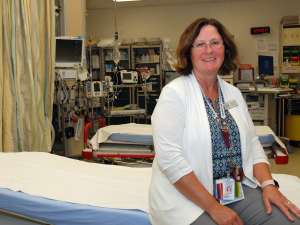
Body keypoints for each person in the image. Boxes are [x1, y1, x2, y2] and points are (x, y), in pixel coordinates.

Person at [149, 17, 300, 225]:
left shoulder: (233, 94)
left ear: (225, 48)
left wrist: (268, 185)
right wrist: (213, 207)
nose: (208, 50)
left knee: (289, 220)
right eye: (200, 44)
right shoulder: (174, 94)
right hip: (188, 198)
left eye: (215, 43)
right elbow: (170, 161)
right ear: (188, 52)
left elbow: (253, 143)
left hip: (233, 190)